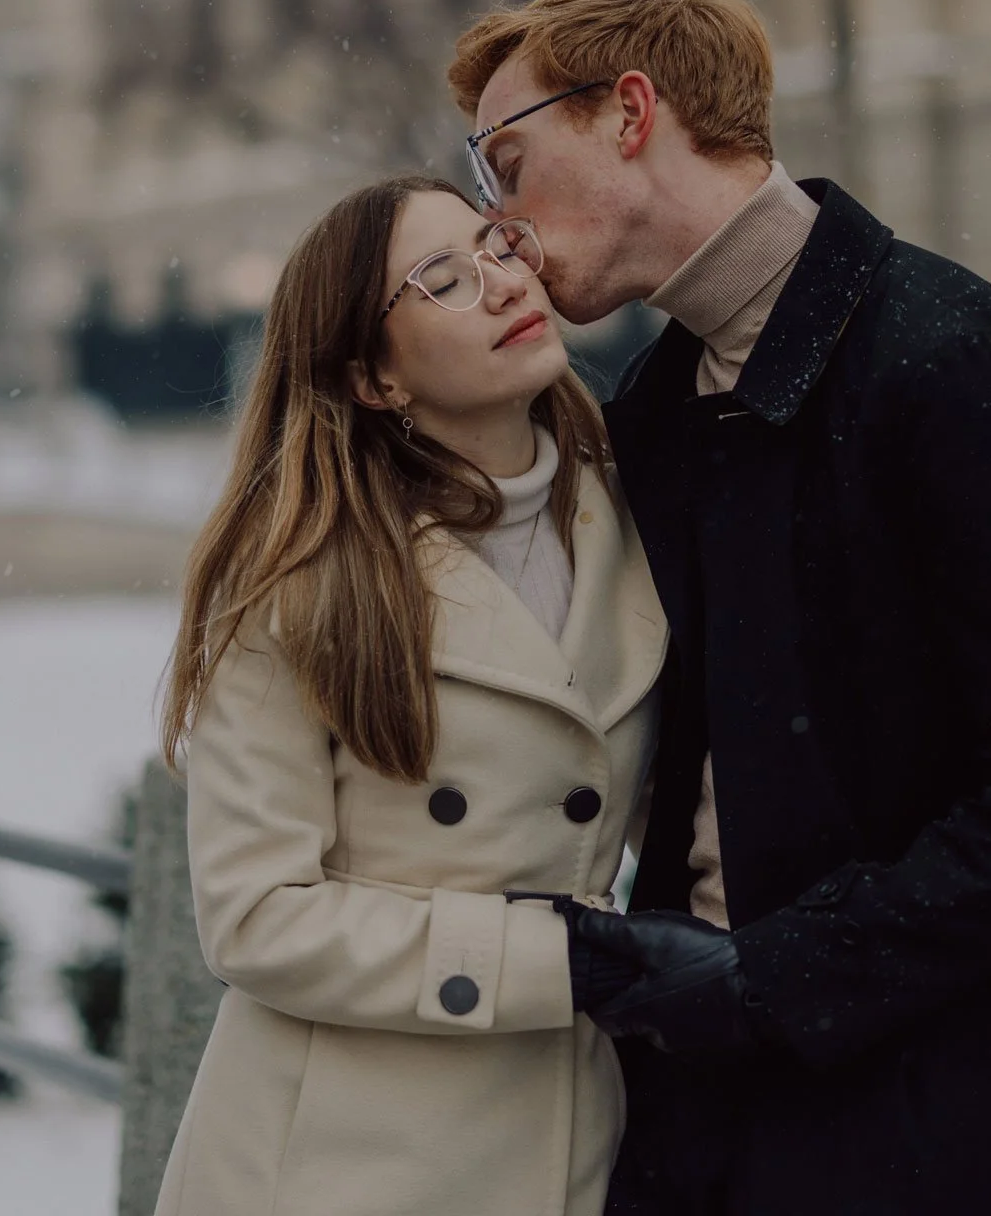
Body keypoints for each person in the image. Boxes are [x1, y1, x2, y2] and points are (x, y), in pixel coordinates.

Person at [446, 0, 991, 1215]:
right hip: (720, 1128)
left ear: (628, 113)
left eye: (503, 165)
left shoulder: (953, 362)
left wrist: (779, 976)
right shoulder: (660, 414)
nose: (496, 220)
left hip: (951, 1145)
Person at [153, 174, 670, 1216]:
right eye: (440, 277)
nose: (497, 279)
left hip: (566, 1128)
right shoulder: (299, 583)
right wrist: (557, 960)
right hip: (338, 1161)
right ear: (371, 379)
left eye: (494, 243)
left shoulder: (645, 517)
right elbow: (254, 918)